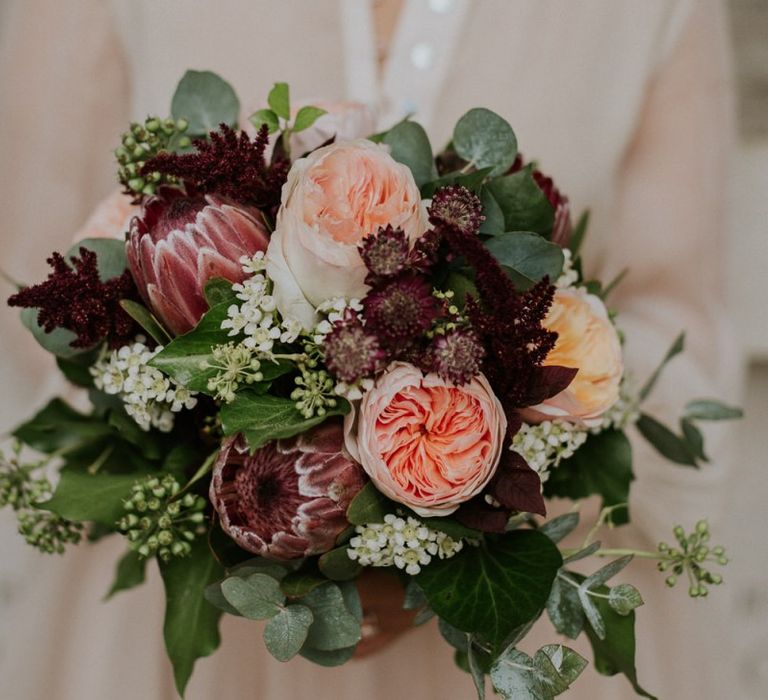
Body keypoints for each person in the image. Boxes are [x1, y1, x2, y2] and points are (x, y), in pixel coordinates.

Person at [0, 1, 739, 697]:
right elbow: (36, 281)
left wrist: (441, 507)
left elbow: (672, 315)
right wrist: (218, 472)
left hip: (510, 617)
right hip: (198, 620)